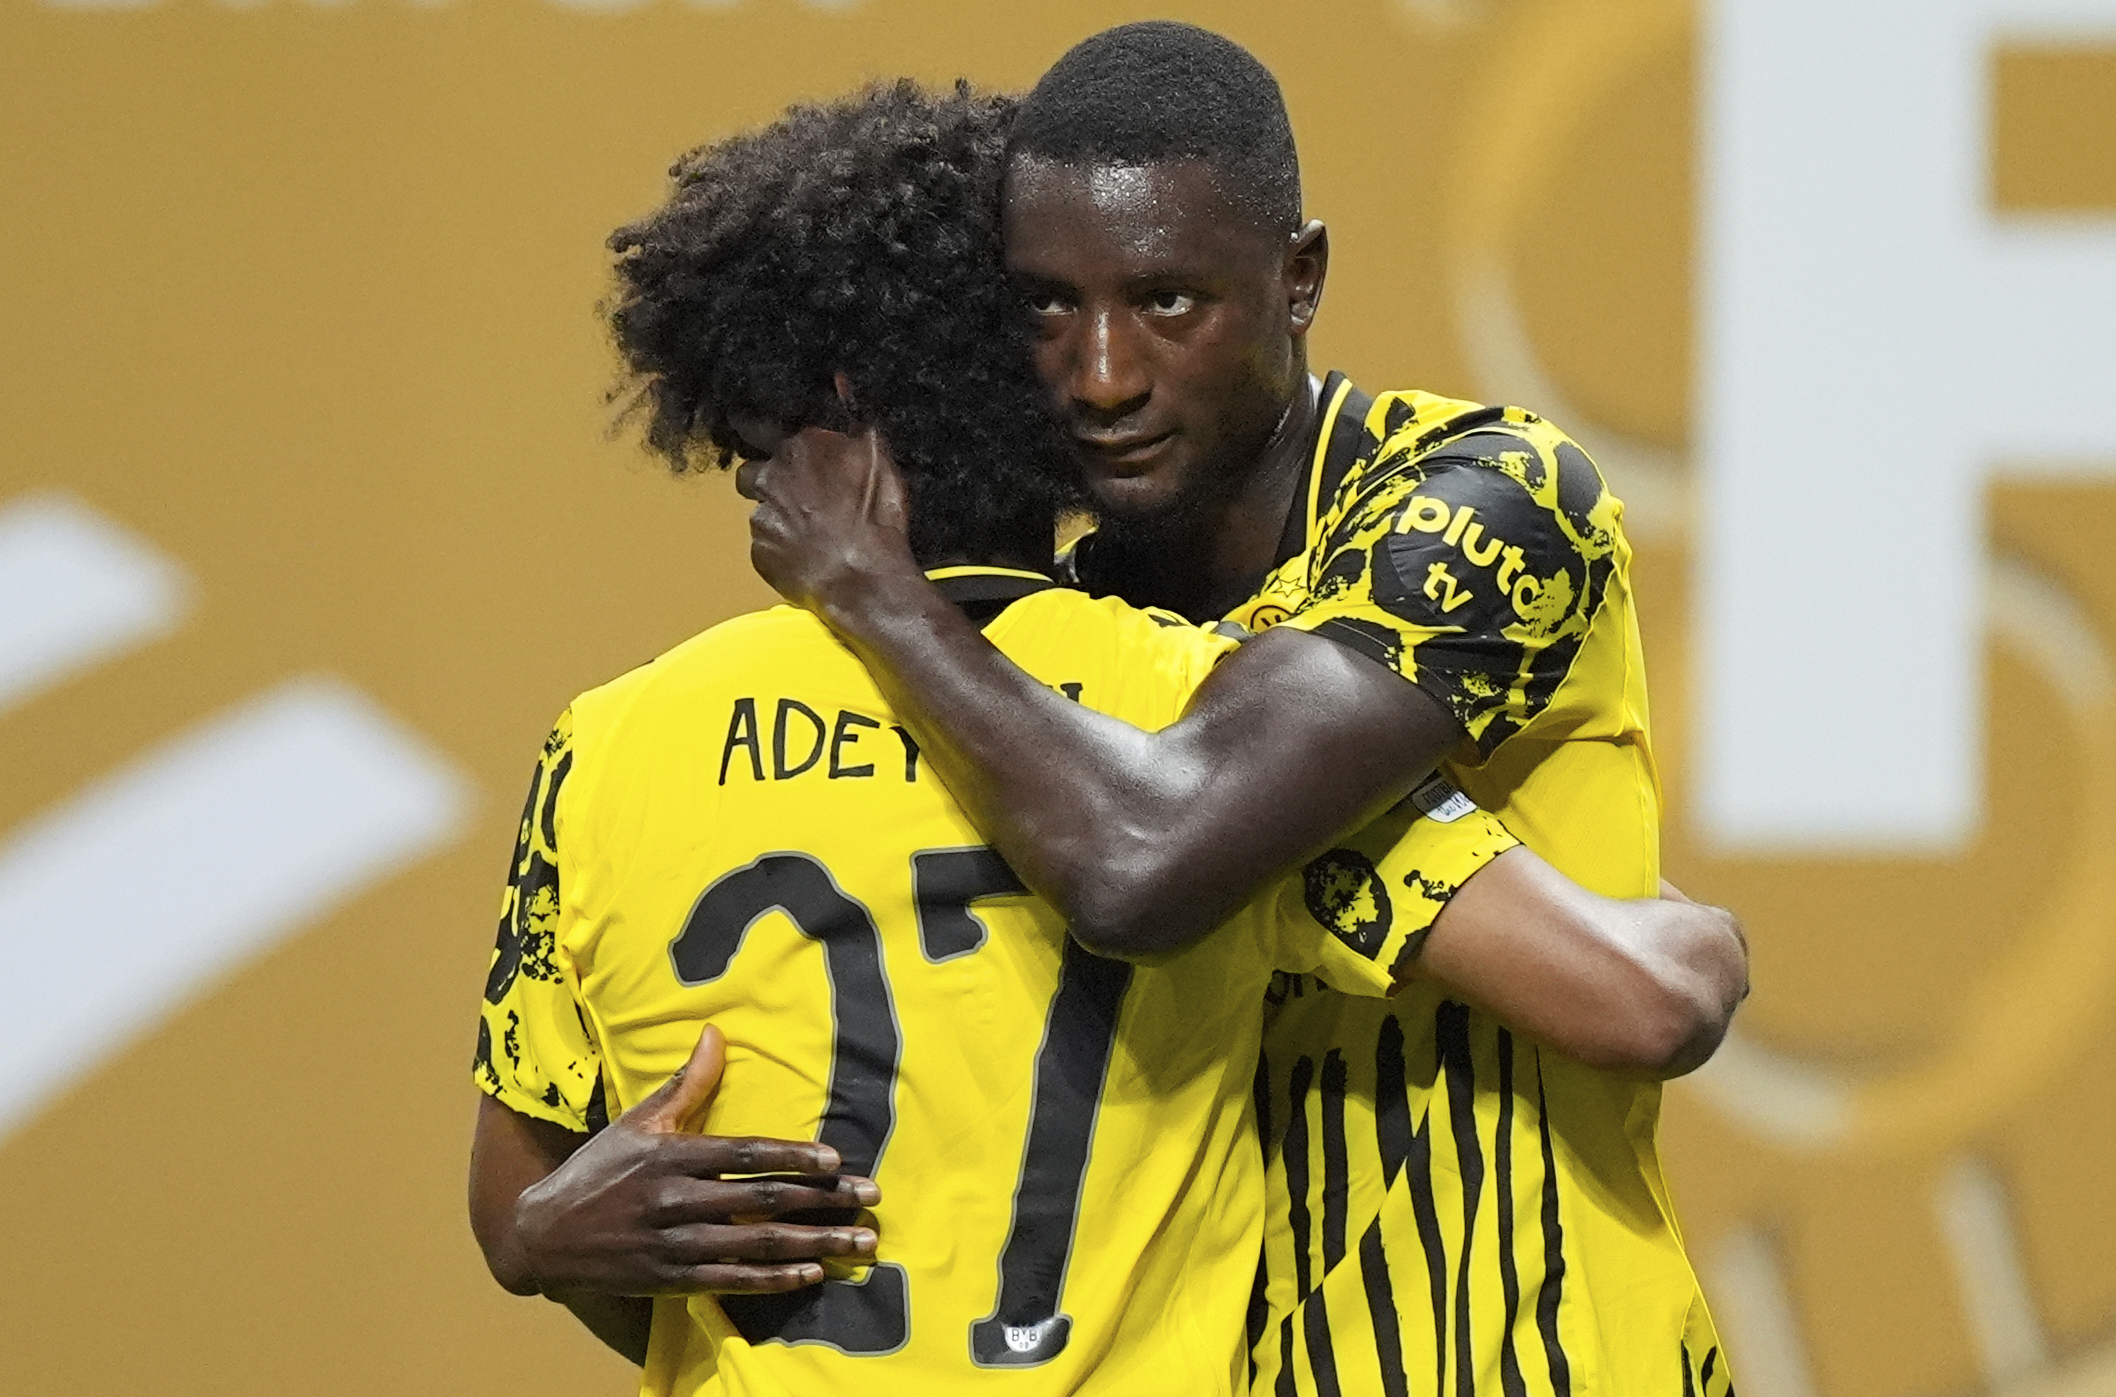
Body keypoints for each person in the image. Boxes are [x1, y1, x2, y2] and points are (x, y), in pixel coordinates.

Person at [468, 78, 1705, 1394]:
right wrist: (1687, 931)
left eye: (1165, 300)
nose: (1106, 375)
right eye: (1049, 313)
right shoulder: (1139, 694)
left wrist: (870, 589)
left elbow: (1147, 852)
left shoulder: (609, 750)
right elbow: (1645, 992)